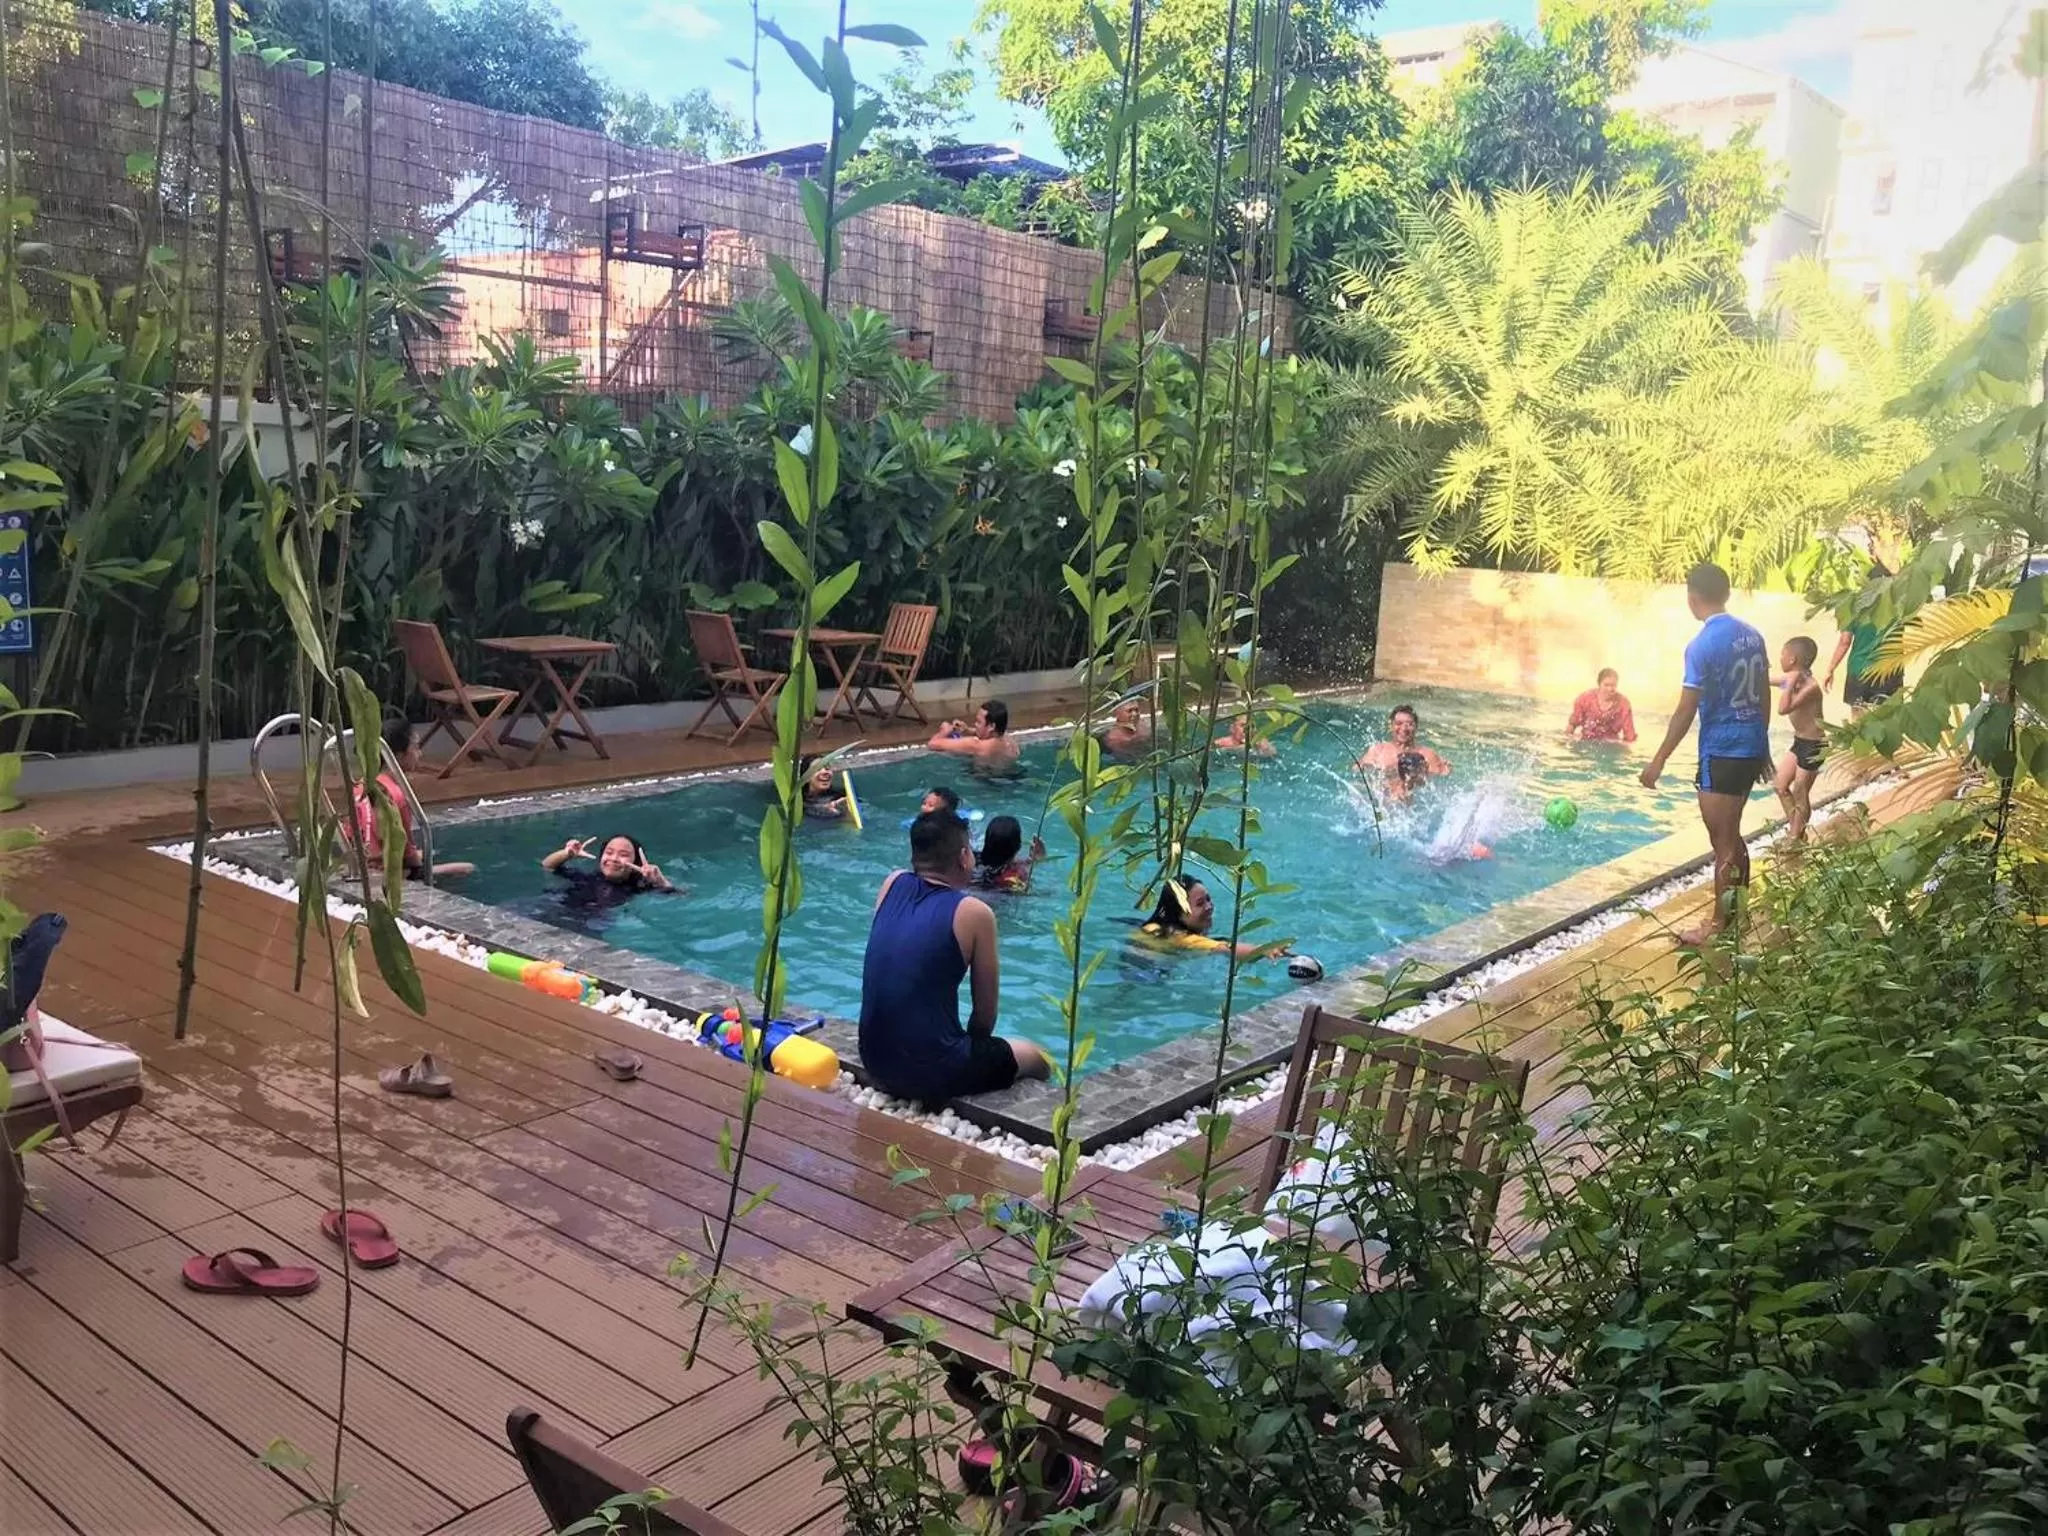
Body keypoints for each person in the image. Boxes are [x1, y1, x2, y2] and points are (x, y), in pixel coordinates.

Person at [858, 811, 1052, 1103]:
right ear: (964, 857)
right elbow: (985, 1016)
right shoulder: (974, 912)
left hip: (873, 1057)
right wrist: (974, 1055)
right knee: (1035, 1057)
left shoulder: (891, 883)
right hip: (931, 1071)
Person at [1640, 563, 1771, 943]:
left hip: (1722, 750)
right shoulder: (1752, 636)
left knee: (1723, 844)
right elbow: (1763, 692)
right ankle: (1736, 916)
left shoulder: (1702, 645)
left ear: (1692, 598)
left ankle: (1717, 925)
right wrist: (1761, 743)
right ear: (1726, 593)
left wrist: (1659, 759)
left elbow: (1685, 709)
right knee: (1734, 836)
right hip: (1748, 747)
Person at [349, 717, 474, 880]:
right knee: (467, 868)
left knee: (431, 853)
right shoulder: (395, 793)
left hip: (366, 864)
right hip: (391, 873)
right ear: (399, 755)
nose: (420, 753)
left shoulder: (360, 786)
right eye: (415, 747)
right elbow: (411, 861)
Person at [1135, 877, 1288, 960]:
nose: (1209, 907)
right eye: (1200, 904)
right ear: (1178, 913)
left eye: (1208, 899)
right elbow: (1223, 949)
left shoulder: (1154, 926)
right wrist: (1263, 950)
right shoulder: (1178, 936)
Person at [540, 834, 675, 917]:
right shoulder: (587, 877)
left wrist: (661, 881)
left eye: (623, 855)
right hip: (555, 907)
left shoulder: (638, 886)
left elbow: (678, 897)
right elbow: (547, 865)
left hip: (590, 922)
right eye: (609, 852)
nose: (614, 858)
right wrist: (567, 854)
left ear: (636, 863)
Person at [1773, 636, 1826, 843]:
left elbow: (1783, 709)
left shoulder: (1811, 687)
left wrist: (1791, 682)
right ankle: (1796, 828)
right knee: (1780, 785)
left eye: (1782, 655)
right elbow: (1764, 679)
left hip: (1815, 745)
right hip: (1799, 742)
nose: (1780, 659)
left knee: (1800, 789)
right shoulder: (1793, 679)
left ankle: (1795, 836)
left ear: (1793, 659)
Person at [1354, 704, 1451, 802]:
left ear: (1416, 727)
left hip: (1414, 807)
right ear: (1391, 726)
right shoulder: (1378, 751)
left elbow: (1439, 782)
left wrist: (1422, 774)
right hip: (1385, 801)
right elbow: (1357, 773)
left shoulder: (1427, 755)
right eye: (1398, 723)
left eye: (1409, 724)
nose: (1404, 729)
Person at [1823, 595, 1901, 714]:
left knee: (1858, 720)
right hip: (1889, 671)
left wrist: (1830, 669)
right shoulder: (1899, 606)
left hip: (1860, 671)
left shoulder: (1854, 607)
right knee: (1888, 718)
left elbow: (1844, 641)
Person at [928, 699, 1021, 775]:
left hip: (984, 784)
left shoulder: (975, 745)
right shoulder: (1009, 741)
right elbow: (988, 736)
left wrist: (945, 730)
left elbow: (932, 744)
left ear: (991, 726)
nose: (975, 724)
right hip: (1009, 777)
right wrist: (967, 730)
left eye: (979, 722)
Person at [975, 815, 1047, 893]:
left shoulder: (974, 859)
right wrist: (1039, 860)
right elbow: (1040, 894)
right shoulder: (1013, 878)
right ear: (1018, 846)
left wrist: (1032, 860)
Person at [1565, 669, 1637, 744]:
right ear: (1599, 684)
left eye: (1613, 685)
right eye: (1606, 685)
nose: (1610, 689)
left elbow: (1629, 736)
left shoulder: (1623, 704)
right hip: (1586, 742)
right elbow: (1572, 724)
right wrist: (1565, 741)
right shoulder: (1585, 698)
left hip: (1610, 745)